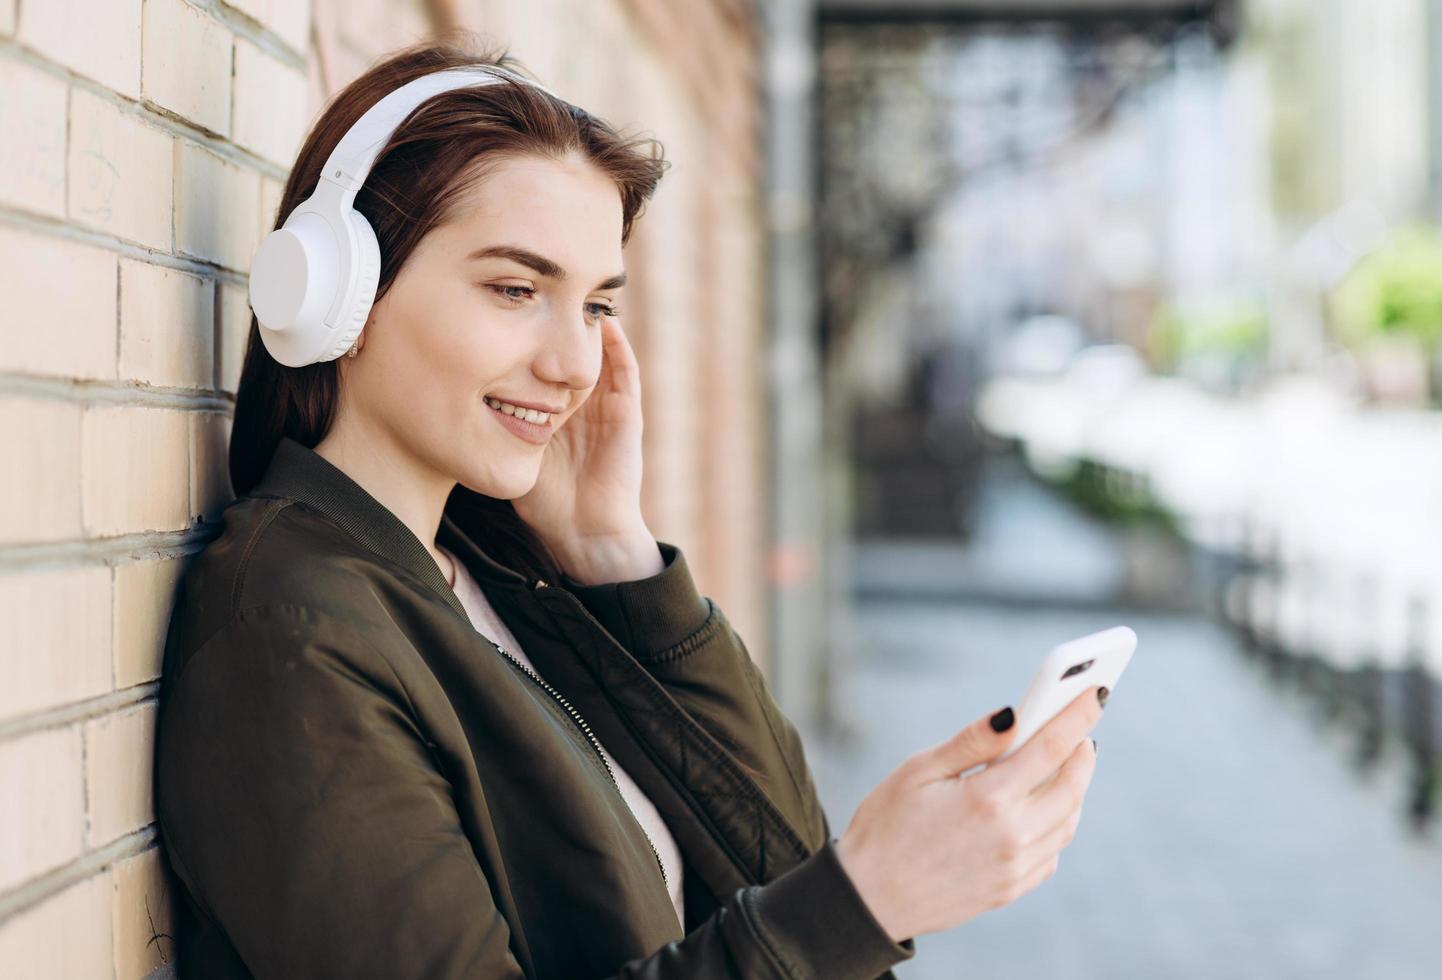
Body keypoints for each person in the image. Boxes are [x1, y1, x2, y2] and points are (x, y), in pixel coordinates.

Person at [153, 34, 1105, 980]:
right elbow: (813, 913)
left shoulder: (495, 572)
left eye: (597, 305)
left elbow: (774, 861)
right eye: (515, 289)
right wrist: (864, 900)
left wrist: (616, 560)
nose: (571, 363)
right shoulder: (289, 630)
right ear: (336, 293)